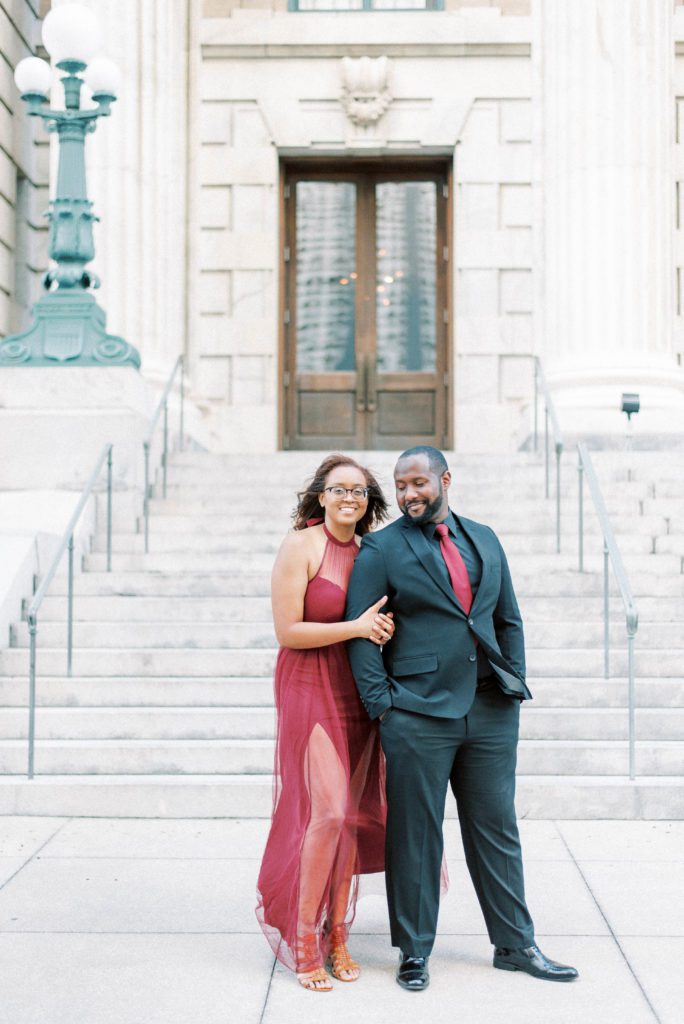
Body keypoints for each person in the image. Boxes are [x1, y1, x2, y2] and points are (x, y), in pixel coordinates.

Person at [345, 445, 578, 991]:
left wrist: (512, 682)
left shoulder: (486, 538)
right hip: (418, 713)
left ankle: (516, 944)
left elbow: (507, 618)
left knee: (498, 828)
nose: (408, 495)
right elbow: (361, 633)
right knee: (417, 835)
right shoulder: (381, 548)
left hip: (490, 711)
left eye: (418, 483)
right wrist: (385, 705)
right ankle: (414, 951)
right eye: (401, 486)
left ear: (444, 479)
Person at [256, 454, 394, 992]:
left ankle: (339, 933)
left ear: (368, 502)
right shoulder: (301, 546)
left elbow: (378, 618)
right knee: (329, 812)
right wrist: (357, 627)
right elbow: (287, 630)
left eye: (359, 492)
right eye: (339, 490)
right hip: (308, 683)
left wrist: (379, 628)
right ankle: (305, 936)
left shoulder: (372, 551)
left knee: (355, 815)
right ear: (320, 496)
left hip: (357, 686)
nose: (349, 499)